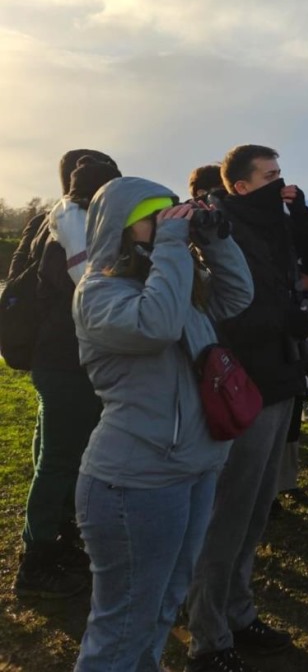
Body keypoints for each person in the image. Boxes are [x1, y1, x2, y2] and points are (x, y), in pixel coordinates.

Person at [72, 177, 253, 671]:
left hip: (192, 467)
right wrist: (174, 246)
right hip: (135, 482)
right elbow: (157, 326)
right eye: (159, 218)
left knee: (164, 603)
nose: (171, 227)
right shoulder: (98, 293)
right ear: (126, 228)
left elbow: (237, 296)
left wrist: (215, 240)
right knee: (123, 625)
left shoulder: (174, 286)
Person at [186, 144, 308, 672]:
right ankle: (207, 639)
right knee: (227, 517)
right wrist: (287, 321)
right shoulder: (217, 228)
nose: (282, 182)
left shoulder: (273, 222)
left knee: (254, 515)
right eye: (271, 176)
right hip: (241, 385)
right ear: (240, 185)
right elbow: (224, 312)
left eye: (283, 174)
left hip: (278, 379)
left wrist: (297, 210)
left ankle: (237, 611)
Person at [13, 150, 120, 600]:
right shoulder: (69, 231)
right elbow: (84, 289)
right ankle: (37, 559)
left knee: (54, 451)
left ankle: (56, 535)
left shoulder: (54, 222)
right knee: (59, 458)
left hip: (53, 358)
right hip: (65, 360)